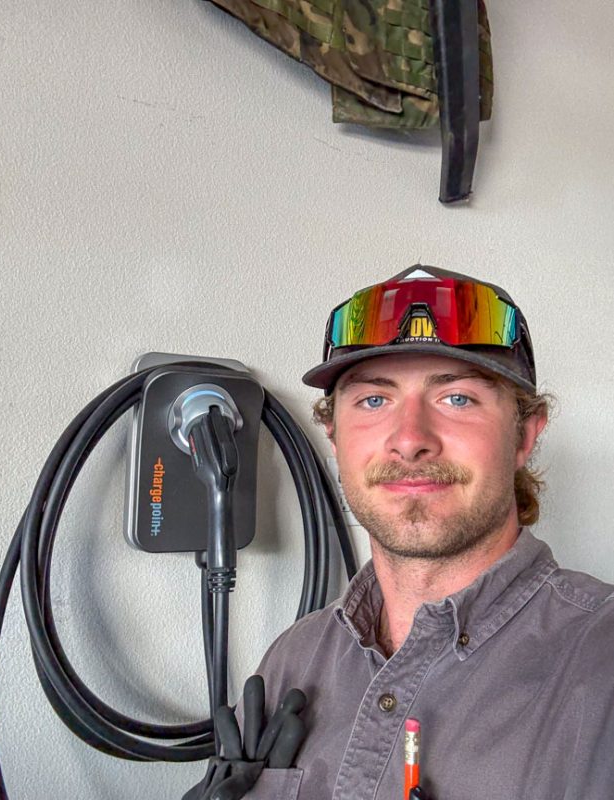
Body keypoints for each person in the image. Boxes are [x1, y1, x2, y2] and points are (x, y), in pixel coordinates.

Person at [193, 264, 614, 800]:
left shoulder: (602, 661)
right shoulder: (294, 659)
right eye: (374, 400)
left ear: (524, 436)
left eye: (457, 398)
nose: (410, 439)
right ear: (335, 436)